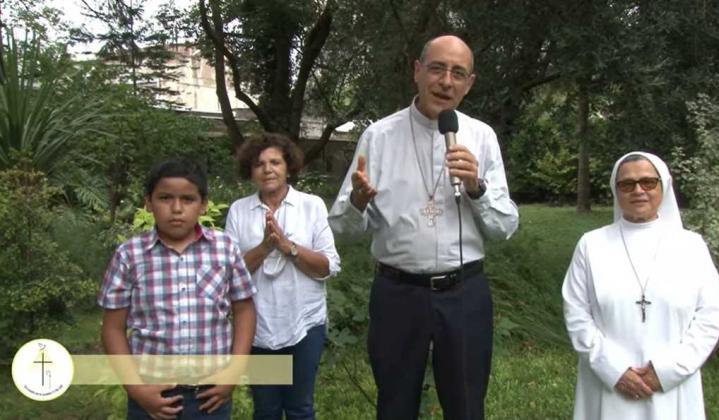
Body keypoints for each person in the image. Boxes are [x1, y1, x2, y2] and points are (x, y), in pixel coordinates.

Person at [328, 35, 519, 419]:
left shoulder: (480, 137)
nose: (446, 81)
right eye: (437, 68)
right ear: (417, 71)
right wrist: (358, 202)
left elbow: (504, 227)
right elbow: (342, 229)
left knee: (466, 405)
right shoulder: (379, 136)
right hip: (397, 293)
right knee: (395, 404)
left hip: (464, 292)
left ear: (469, 83)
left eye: (458, 73)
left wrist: (476, 188)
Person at [562, 151, 719, 419]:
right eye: (627, 184)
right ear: (616, 190)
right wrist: (614, 370)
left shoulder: (691, 246)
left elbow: (710, 316)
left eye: (648, 182)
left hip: (672, 386)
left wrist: (666, 372)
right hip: (608, 384)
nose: (638, 190)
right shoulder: (591, 245)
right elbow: (577, 313)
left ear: (664, 186)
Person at [99, 158, 257, 420]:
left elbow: (244, 311)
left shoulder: (224, 248)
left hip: (211, 395)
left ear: (203, 204)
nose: (176, 208)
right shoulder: (129, 255)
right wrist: (137, 390)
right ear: (148, 203)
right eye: (165, 198)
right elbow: (112, 327)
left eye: (187, 199)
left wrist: (233, 373)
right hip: (151, 394)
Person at [225, 133, 341, 420]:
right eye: (259, 164)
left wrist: (287, 246)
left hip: (304, 323)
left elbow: (327, 266)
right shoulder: (239, 211)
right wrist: (266, 246)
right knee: (266, 409)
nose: (267, 169)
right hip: (259, 325)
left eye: (275, 162)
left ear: (288, 166)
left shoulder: (311, 205)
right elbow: (229, 274)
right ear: (249, 171)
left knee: (300, 407)